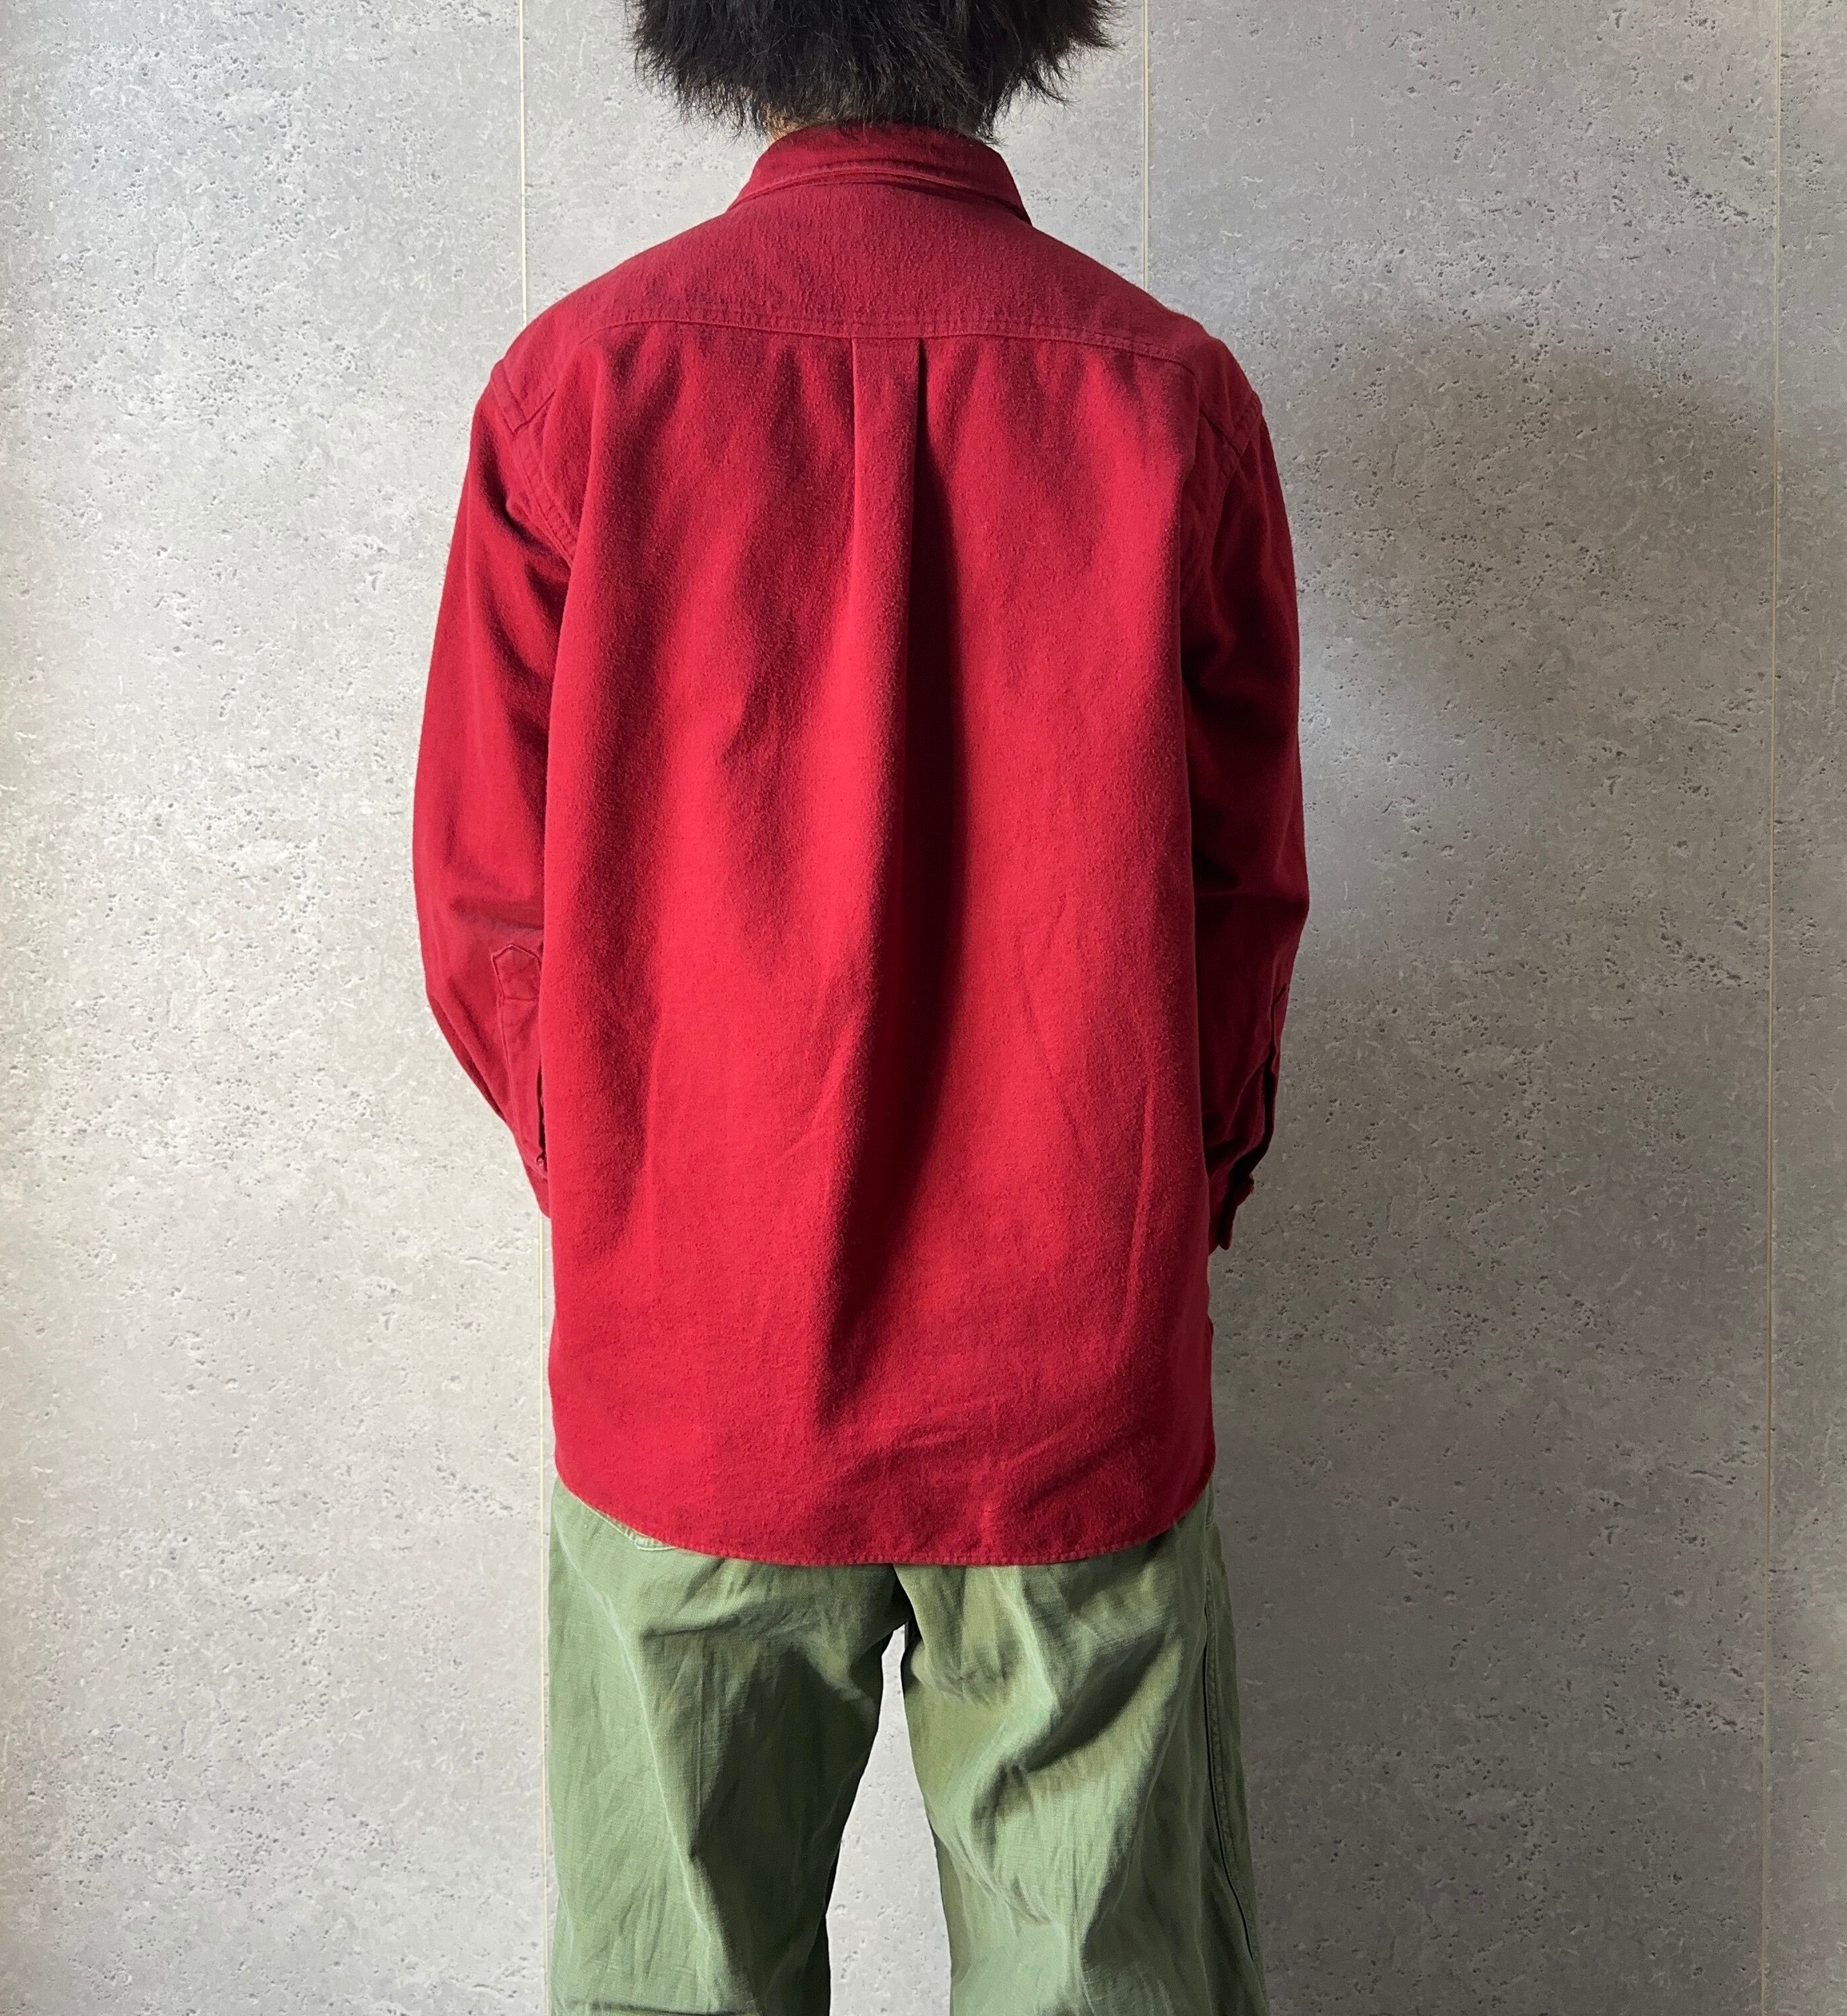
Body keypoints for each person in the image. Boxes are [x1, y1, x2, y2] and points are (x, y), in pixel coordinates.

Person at [411, 0, 1308, 2007]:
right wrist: (1167, 1194)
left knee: (673, 1977)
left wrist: (634, 1184)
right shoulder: (1168, 395)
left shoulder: (583, 382)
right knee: (1105, 1976)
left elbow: (485, 906)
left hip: (694, 1356)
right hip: (1071, 1353)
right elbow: (1241, 898)